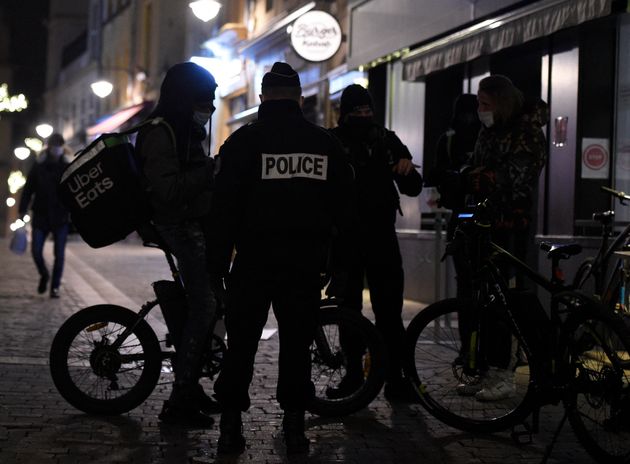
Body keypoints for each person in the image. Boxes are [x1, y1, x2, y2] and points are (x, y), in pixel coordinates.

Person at [208, 62, 353, 455]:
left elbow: (222, 212)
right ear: (300, 99)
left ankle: (230, 428)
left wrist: (217, 267)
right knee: (296, 346)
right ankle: (293, 429)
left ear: (261, 98)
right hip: (304, 264)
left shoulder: (243, 143)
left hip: (253, 263)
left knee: (241, 347)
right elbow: (345, 212)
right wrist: (339, 265)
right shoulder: (325, 145)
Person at [326, 84, 423, 403]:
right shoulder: (332, 142)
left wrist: (407, 168)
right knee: (348, 311)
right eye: (357, 113)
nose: (364, 118)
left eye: (368, 112)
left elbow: (412, 187)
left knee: (389, 313)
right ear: (345, 114)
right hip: (345, 240)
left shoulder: (385, 139)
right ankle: (355, 376)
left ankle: (395, 378)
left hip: (382, 237)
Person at [135, 62, 219, 427]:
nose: (211, 108)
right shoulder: (160, 132)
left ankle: (192, 382)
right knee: (205, 306)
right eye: (205, 100)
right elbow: (168, 192)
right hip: (178, 227)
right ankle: (180, 399)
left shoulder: (182, 131)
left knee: (202, 303)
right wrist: (212, 170)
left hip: (191, 223)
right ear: (186, 98)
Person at [456, 75, 548, 401]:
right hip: (483, 226)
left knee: (505, 303)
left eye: (485, 105)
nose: (480, 111)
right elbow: (477, 171)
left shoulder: (526, 134)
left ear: (502, 103)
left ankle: (504, 372)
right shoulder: (489, 132)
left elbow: (513, 179)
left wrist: (475, 178)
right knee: (480, 301)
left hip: (511, 229)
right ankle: (484, 369)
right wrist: (469, 176)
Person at [19, 133, 71, 298]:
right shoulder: (38, 166)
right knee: (35, 251)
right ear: (48, 146)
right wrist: (22, 210)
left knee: (60, 254)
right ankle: (44, 274)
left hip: (60, 216)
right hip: (40, 214)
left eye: (59, 145)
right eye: (54, 145)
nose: (56, 148)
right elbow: (28, 189)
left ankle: (54, 287)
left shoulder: (67, 165)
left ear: (62, 146)